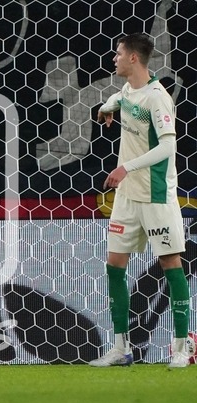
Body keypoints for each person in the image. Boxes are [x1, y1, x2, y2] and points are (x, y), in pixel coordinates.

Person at [89, 33, 191, 368]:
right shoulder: (129, 90)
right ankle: (121, 348)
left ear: (133, 58)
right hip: (127, 198)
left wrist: (126, 167)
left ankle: (181, 349)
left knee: (170, 264)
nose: (114, 58)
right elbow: (122, 97)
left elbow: (168, 146)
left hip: (156, 195)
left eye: (118, 53)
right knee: (114, 265)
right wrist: (107, 107)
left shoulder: (158, 97)